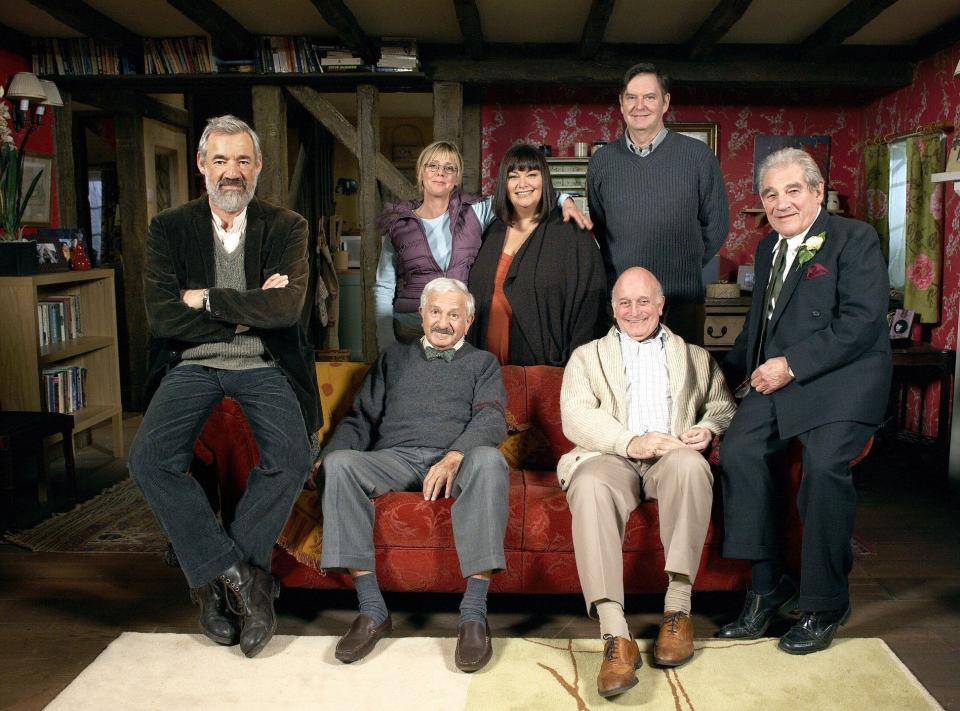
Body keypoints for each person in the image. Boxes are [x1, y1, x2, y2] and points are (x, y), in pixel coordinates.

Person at [128, 115, 321, 658]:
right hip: (189, 363)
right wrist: (249, 306)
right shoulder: (168, 227)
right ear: (201, 166)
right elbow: (164, 318)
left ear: (258, 167)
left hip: (265, 363)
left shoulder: (287, 226)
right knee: (148, 459)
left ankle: (217, 584)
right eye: (219, 160)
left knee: (291, 454)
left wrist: (206, 298)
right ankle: (236, 577)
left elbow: (285, 310)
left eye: (241, 161)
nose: (230, 172)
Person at [718, 148, 891, 654]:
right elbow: (758, 328)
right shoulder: (769, 248)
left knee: (822, 465)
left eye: (793, 190)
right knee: (739, 452)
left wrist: (790, 365)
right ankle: (768, 587)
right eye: (771, 194)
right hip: (780, 383)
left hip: (844, 379)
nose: (781, 202)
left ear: (818, 193)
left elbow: (860, 323)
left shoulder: (855, 239)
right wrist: (710, 375)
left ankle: (824, 601)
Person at [559, 267, 736, 698]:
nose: (634, 311)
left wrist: (708, 430)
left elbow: (722, 406)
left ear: (660, 305)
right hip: (611, 455)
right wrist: (631, 441)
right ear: (613, 309)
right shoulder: (587, 356)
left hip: (671, 455)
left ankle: (678, 612)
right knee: (589, 485)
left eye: (644, 302)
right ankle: (615, 635)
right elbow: (576, 416)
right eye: (624, 302)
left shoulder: (694, 356)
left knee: (693, 466)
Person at [319, 277, 508, 673]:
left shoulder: (483, 363)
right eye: (435, 312)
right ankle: (372, 610)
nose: (443, 322)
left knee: (490, 461)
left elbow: (491, 417)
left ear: (469, 321)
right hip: (395, 457)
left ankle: (473, 615)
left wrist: (456, 454)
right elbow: (361, 418)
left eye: (454, 314)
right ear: (421, 315)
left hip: (454, 461)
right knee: (340, 465)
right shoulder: (393, 358)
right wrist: (330, 454)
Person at [375, 140, 591, 349]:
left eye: (449, 168)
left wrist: (564, 199)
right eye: (432, 166)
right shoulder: (398, 224)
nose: (440, 172)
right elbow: (384, 286)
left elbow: (521, 193)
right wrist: (385, 339)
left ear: (457, 178)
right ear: (421, 172)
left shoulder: (476, 211)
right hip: (410, 325)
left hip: (458, 327)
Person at [587, 62, 729, 344]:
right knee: (623, 385)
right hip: (624, 306)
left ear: (665, 102)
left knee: (680, 386)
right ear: (621, 103)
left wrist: (682, 264)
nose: (640, 106)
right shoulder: (602, 162)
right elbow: (601, 229)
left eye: (649, 97)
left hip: (681, 302)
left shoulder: (698, 157)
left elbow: (717, 226)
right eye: (631, 97)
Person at [467, 142, 606, 366]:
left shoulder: (571, 233)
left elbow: (591, 305)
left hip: (543, 369)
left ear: (544, 181)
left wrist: (577, 368)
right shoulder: (490, 231)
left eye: (532, 174)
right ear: (505, 183)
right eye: (514, 176)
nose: (523, 184)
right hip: (484, 366)